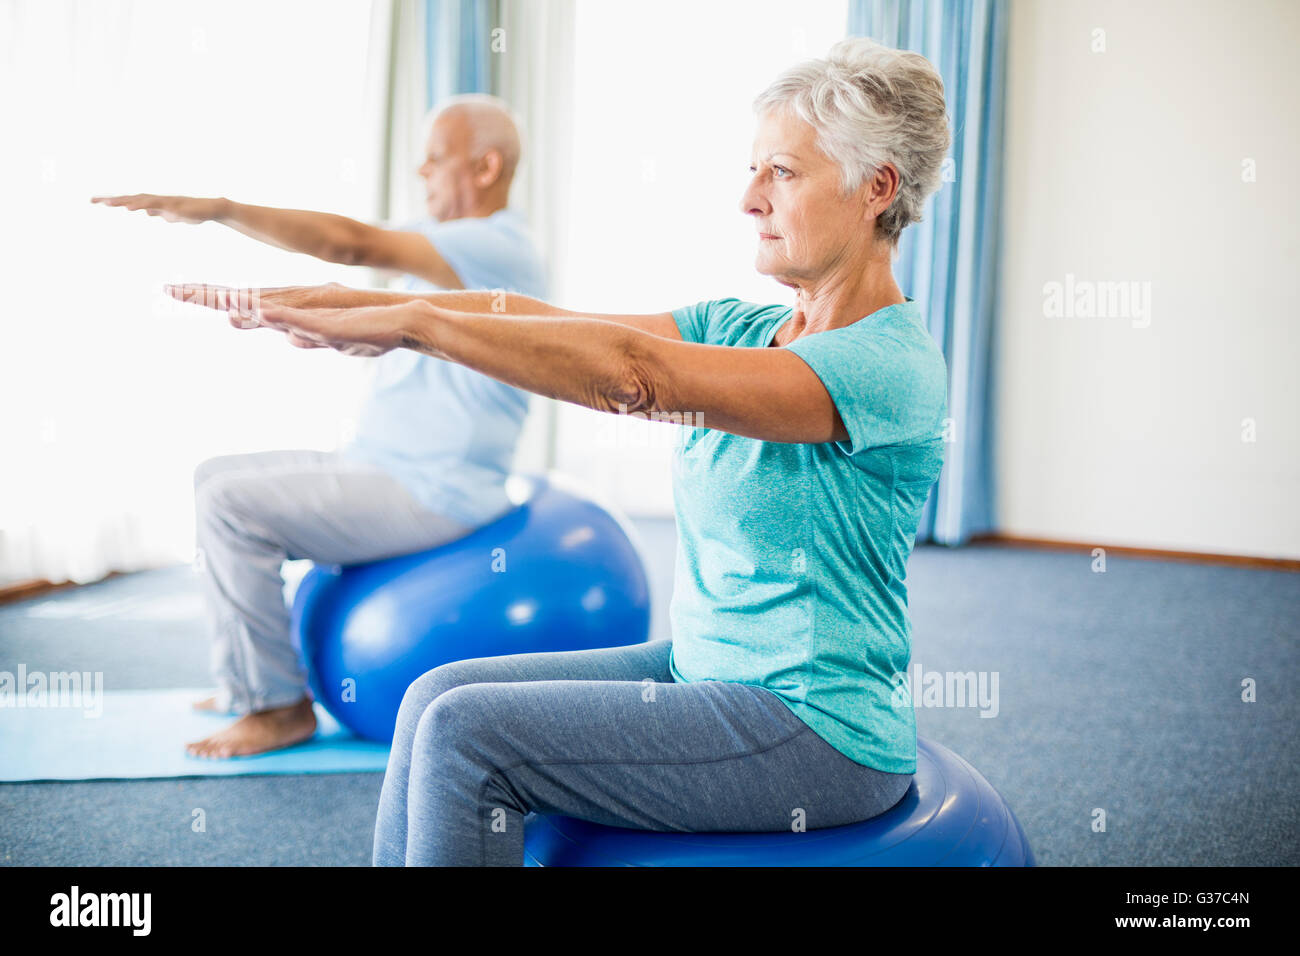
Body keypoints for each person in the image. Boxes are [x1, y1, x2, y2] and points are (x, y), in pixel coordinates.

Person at [171, 36, 951, 866]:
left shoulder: (887, 364)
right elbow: (548, 320)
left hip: (815, 730)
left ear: (878, 188)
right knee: (435, 693)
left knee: (470, 736)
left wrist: (416, 323)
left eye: (782, 173)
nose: (749, 199)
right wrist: (365, 305)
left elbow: (634, 375)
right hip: (710, 672)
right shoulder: (742, 326)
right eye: (753, 169)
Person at [93, 94, 548, 758]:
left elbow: (349, 242)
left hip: (437, 490)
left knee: (230, 505)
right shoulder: (447, 248)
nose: (421, 173)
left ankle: (276, 708)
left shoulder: (496, 248)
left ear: (485, 167)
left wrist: (220, 210)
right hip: (375, 462)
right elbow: (350, 259)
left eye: (434, 159)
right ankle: (244, 676)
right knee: (213, 476)